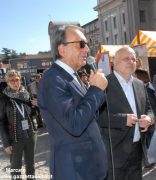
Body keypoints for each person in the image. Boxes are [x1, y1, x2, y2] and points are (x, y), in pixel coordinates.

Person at [38, 25, 108, 180]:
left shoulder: (72, 76)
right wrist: (96, 90)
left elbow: (89, 115)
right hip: (75, 171)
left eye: (87, 44)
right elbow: (75, 124)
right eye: (81, 44)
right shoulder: (52, 79)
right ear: (62, 50)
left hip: (89, 167)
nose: (87, 49)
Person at [99, 46, 154, 180]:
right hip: (114, 151)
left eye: (133, 59)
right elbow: (96, 116)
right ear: (115, 62)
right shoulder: (103, 84)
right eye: (126, 59)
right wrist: (122, 120)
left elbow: (149, 109)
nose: (131, 62)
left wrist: (149, 118)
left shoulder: (140, 84)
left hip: (136, 149)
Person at [0, 69, 38, 179]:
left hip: (30, 134)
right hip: (15, 138)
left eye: (17, 80)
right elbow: (1, 122)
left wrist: (34, 106)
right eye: (12, 81)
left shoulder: (26, 94)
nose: (16, 83)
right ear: (7, 82)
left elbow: (32, 114)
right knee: (16, 166)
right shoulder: (3, 99)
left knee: (30, 163)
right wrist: (6, 143)